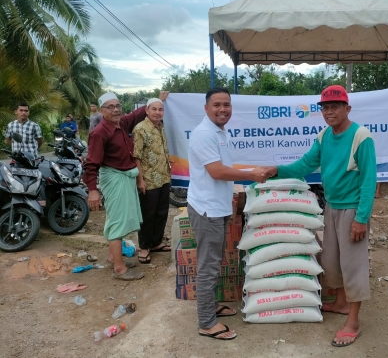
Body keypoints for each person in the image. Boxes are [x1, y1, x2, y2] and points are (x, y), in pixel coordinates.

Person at [265, 85, 377, 348]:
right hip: (332, 206)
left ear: (347, 108)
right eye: (325, 107)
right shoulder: (325, 135)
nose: (329, 111)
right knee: (331, 259)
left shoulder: (361, 137)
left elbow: (369, 181)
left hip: (352, 209)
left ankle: (353, 322)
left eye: (335, 106)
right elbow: (305, 165)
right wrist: (276, 170)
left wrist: (361, 219)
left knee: (353, 264)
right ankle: (339, 303)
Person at [187, 87, 267, 341]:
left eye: (227, 105)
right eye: (217, 105)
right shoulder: (203, 134)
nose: (223, 109)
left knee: (214, 260)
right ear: (206, 108)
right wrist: (252, 173)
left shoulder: (219, 131)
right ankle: (207, 322)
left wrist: (230, 196)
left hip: (216, 205)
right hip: (207, 209)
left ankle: (210, 307)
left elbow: (222, 171)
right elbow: (217, 172)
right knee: (208, 266)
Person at [83, 91, 168, 281]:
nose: (116, 110)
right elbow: (90, 164)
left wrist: (159, 100)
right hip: (114, 178)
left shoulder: (121, 123)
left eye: (118, 106)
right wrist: (92, 190)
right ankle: (120, 269)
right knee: (118, 221)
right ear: (102, 111)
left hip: (125, 176)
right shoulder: (100, 133)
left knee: (119, 218)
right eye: (110, 107)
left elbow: (137, 114)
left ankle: (114, 257)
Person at [133, 98, 171, 264]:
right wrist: (140, 180)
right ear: (147, 111)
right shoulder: (140, 129)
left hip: (163, 177)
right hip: (148, 180)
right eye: (154, 109)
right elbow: (136, 156)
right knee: (147, 214)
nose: (157, 112)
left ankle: (156, 242)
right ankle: (144, 247)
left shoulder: (161, 127)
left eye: (160, 109)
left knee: (162, 212)